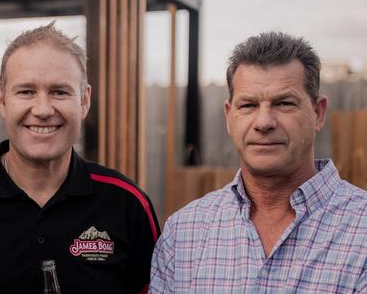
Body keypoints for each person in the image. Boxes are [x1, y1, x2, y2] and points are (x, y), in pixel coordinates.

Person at [0, 23, 160, 294]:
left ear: (84, 101)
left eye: (59, 92)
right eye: (26, 91)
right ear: (2, 100)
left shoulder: (127, 205)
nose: (42, 109)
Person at [150, 32, 367, 293]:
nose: (264, 122)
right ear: (230, 117)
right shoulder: (183, 234)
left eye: (284, 103)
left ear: (318, 113)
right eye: (249, 105)